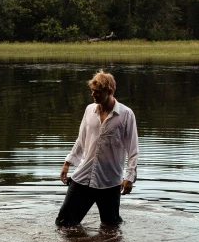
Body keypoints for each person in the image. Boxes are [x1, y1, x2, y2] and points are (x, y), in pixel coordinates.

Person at [56, 70, 138, 226]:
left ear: (109, 91)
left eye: (97, 92)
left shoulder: (126, 115)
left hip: (109, 181)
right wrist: (67, 163)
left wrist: (129, 178)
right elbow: (81, 140)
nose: (93, 95)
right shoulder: (89, 110)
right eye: (92, 91)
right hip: (83, 177)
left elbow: (133, 151)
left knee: (110, 227)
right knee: (63, 223)